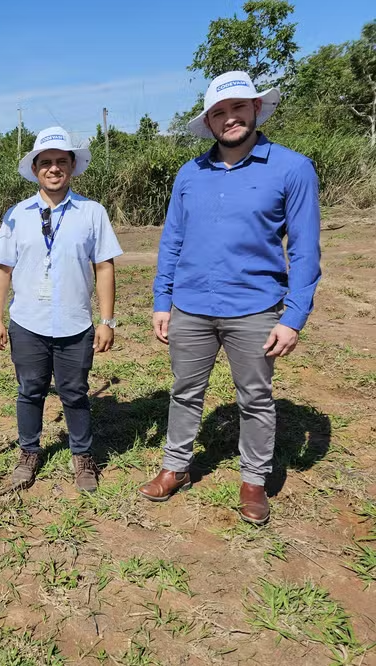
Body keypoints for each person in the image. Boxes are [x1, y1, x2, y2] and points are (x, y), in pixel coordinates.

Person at [140, 71, 322, 525]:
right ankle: (175, 467)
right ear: (209, 121)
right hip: (191, 306)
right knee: (184, 392)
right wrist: (162, 300)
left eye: (238, 108)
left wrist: (293, 316)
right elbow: (172, 241)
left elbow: (303, 248)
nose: (229, 118)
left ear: (256, 109)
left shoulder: (291, 168)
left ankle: (253, 481)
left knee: (255, 398)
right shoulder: (190, 173)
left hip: (256, 308)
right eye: (218, 112)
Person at [0, 127, 122, 493]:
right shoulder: (16, 214)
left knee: (74, 392)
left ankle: (82, 457)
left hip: (75, 323)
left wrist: (107, 321)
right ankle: (29, 452)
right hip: (27, 322)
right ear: (35, 169)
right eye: (45, 162)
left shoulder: (92, 213)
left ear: (73, 166)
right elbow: (2, 268)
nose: (53, 168)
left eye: (61, 161)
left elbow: (105, 267)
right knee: (30, 389)